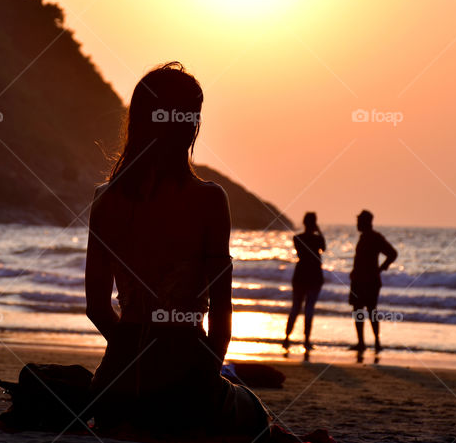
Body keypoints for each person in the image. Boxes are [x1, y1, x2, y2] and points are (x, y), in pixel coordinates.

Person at [84, 62, 270, 440]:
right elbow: (221, 306)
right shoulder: (208, 199)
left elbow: (97, 308)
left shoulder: (106, 199)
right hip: (187, 376)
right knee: (257, 419)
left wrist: (131, 356)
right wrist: (207, 369)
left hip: (114, 386)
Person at [348, 209, 397, 353]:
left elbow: (392, 254)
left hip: (369, 282)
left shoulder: (375, 237)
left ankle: (375, 342)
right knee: (360, 311)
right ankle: (363, 343)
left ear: (366, 222)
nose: (357, 224)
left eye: (359, 221)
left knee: (370, 311)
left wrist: (380, 269)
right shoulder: (365, 237)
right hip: (360, 280)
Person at [282, 212, 325, 353]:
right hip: (313, 276)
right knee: (309, 309)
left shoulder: (298, 238)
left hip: (300, 275)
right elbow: (323, 248)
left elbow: (302, 253)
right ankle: (306, 340)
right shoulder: (317, 238)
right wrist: (319, 231)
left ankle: (287, 338)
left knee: (295, 308)